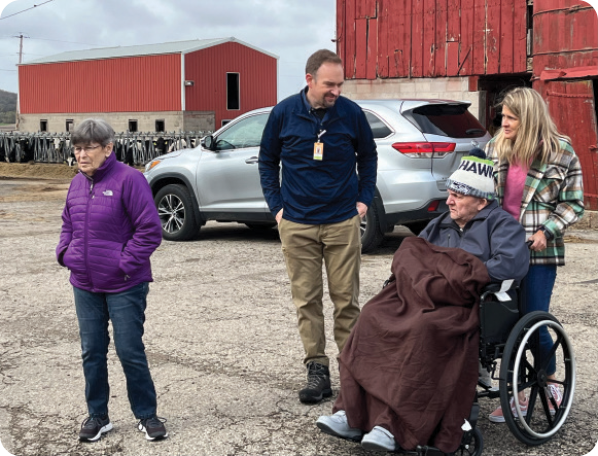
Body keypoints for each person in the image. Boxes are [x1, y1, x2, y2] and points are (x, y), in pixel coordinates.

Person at [316, 150, 529, 453]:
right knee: (373, 316)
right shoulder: (442, 223)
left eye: (458, 196)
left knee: (422, 329)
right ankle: (351, 414)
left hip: (463, 306)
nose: (449, 201)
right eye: (450, 193)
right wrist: (435, 273)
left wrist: (452, 274)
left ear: (481, 201)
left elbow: (507, 268)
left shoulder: (503, 226)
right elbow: (411, 256)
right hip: (422, 296)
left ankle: (392, 425)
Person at [258, 49, 378, 404]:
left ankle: (353, 373)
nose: (336, 91)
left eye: (340, 84)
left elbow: (368, 157)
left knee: (347, 302)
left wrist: (363, 201)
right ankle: (317, 371)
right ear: (309, 79)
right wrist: (277, 209)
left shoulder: (351, 114)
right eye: (329, 84)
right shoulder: (283, 114)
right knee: (307, 301)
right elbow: (267, 161)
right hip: (297, 224)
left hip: (342, 222)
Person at [56, 119, 168, 442]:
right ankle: (98, 415)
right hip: (84, 285)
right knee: (92, 350)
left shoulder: (130, 180)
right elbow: (68, 224)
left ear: (108, 148)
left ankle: (147, 414)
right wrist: (65, 253)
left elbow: (150, 231)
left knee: (129, 349)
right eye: (77, 148)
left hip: (125, 284)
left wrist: (123, 263)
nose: (81, 154)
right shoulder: (77, 183)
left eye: (89, 147)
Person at [485, 87, 584, 422]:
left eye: (512, 118)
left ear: (529, 120)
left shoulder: (561, 151)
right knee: (500, 320)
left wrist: (547, 231)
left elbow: (574, 204)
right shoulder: (495, 147)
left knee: (531, 317)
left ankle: (549, 378)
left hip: (539, 252)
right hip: (500, 250)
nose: (504, 123)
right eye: (504, 117)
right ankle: (517, 389)